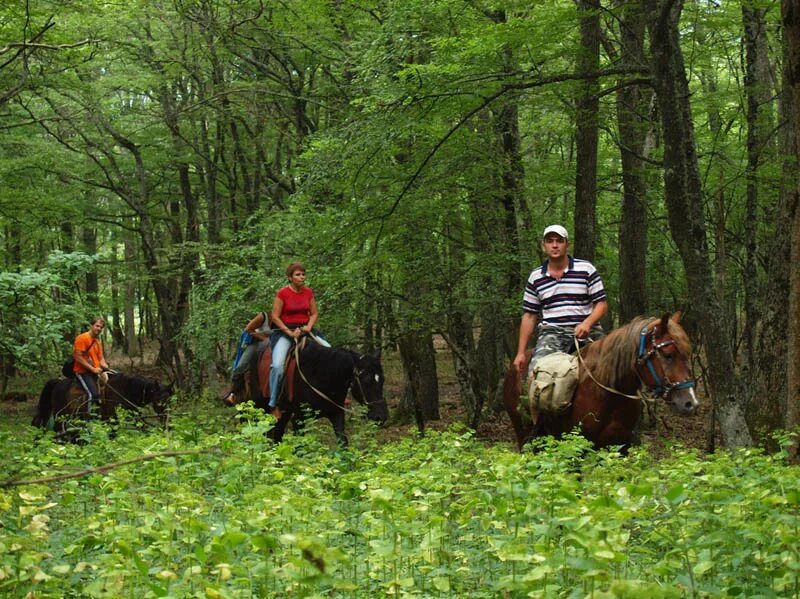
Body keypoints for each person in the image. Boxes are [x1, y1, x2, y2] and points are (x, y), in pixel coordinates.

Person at [512, 224, 608, 379]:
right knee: (537, 375)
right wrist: (521, 352)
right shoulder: (535, 277)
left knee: (615, 365)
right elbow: (529, 316)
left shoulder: (586, 269)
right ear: (544, 246)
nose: (555, 245)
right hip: (553, 333)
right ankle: (533, 402)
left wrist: (587, 323)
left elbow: (601, 304)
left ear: (567, 245)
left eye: (559, 241)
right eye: (550, 241)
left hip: (588, 331)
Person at [268, 262, 330, 417]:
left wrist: (308, 326)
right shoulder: (282, 293)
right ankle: (273, 403)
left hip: (305, 330)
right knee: (277, 366)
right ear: (290, 277)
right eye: (298, 274)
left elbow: (314, 313)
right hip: (285, 332)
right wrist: (289, 332)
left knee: (330, 352)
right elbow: (274, 316)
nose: (302, 277)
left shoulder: (308, 292)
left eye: (303, 274)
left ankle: (332, 395)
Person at [223, 311, 272, 405]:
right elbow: (248, 329)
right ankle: (233, 391)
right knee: (241, 366)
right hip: (256, 343)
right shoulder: (264, 316)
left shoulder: (282, 319)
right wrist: (263, 338)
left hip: (272, 343)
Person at [73, 317, 110, 412]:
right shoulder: (82, 338)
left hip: (96, 371)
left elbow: (100, 357)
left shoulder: (97, 342)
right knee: (93, 394)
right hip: (83, 372)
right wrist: (93, 369)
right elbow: (78, 357)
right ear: (91, 326)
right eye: (97, 326)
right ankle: (88, 418)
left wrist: (105, 365)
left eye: (101, 327)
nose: (99, 328)